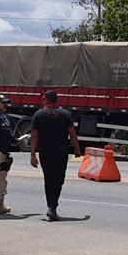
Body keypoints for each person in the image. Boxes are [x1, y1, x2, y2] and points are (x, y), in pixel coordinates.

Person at [30, 90, 81, 221]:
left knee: (48, 179)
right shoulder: (65, 114)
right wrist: (77, 149)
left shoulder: (38, 115)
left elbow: (34, 135)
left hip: (45, 152)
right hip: (61, 152)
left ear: (46, 99)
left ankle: (50, 206)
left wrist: (33, 154)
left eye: (43, 98)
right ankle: (53, 207)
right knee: (58, 180)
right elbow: (72, 133)